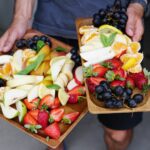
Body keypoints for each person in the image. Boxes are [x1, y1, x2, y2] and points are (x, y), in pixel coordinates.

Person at [0, 0, 147, 150]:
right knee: (52, 132)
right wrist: (21, 18)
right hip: (53, 24)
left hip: (113, 28)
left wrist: (137, 6)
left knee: (118, 135)